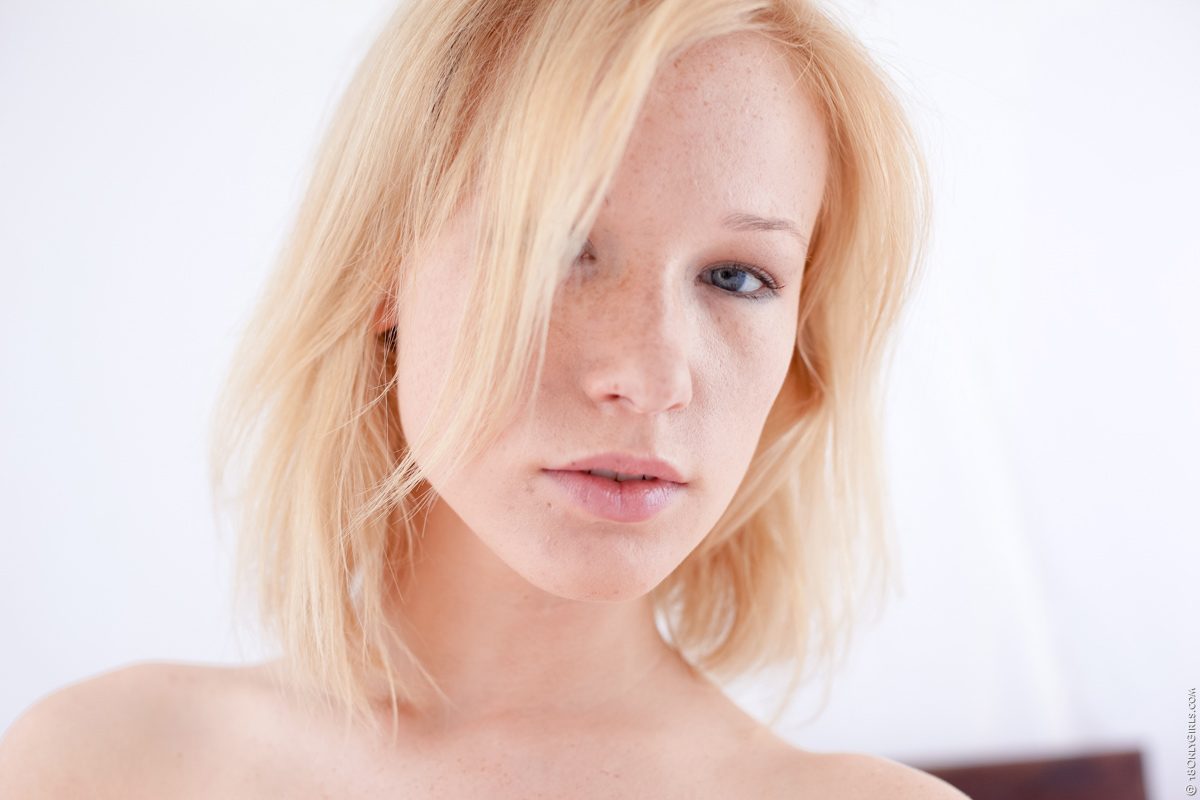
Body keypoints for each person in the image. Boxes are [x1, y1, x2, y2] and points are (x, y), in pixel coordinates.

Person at [0, 0, 966, 796]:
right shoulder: (97, 766)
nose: (652, 378)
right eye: (559, 246)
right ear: (383, 268)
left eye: (737, 277)